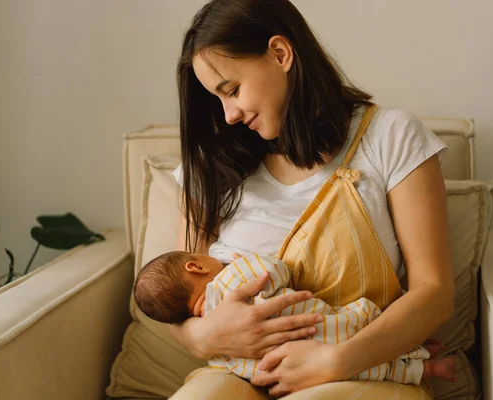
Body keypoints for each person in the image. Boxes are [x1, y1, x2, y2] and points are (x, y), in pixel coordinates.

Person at [168, 0, 455, 398]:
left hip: (359, 371)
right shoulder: (211, 167)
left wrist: (337, 361)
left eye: (232, 90)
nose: (228, 114)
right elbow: (175, 289)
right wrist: (203, 336)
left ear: (280, 54)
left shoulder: (389, 137)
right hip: (239, 374)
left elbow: (435, 291)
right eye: (217, 100)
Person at [134, 251, 457, 384]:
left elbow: (250, 371)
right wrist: (245, 261)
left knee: (372, 371)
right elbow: (276, 271)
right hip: (323, 324)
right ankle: (418, 346)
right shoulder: (232, 277)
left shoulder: (220, 357)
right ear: (196, 266)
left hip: (292, 368)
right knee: (363, 318)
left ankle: (422, 369)